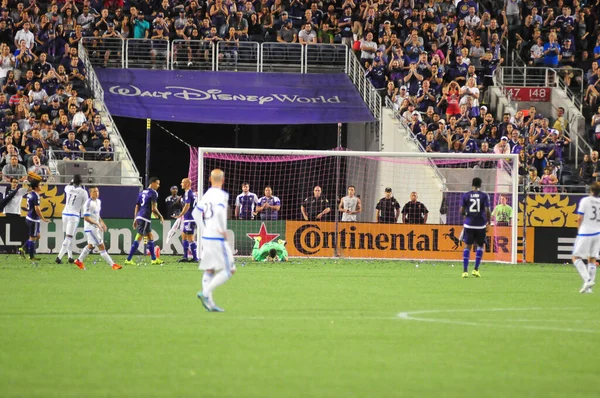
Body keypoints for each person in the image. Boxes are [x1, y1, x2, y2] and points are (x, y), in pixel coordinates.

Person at [195, 169, 236, 313]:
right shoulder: (222, 195)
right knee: (230, 269)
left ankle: (210, 304)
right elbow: (219, 212)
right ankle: (205, 293)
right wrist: (222, 230)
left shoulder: (207, 194)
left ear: (210, 180)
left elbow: (195, 212)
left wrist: (204, 228)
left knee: (210, 269)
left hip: (206, 236)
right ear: (223, 180)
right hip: (216, 237)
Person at [73, 186, 122, 270]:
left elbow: (97, 215)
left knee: (90, 246)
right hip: (90, 228)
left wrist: (102, 223)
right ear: (90, 193)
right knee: (101, 247)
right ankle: (113, 265)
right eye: (94, 191)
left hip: (95, 227)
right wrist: (97, 224)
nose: (97, 193)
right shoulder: (88, 203)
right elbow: (86, 218)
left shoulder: (98, 202)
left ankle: (79, 260)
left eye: (97, 191)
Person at [124, 177, 165, 266]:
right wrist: (161, 216)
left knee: (150, 236)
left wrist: (135, 218)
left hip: (140, 216)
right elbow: (154, 208)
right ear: (152, 183)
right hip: (145, 217)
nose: (158, 186)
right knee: (139, 237)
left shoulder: (142, 192)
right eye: (157, 183)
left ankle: (154, 259)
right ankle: (128, 259)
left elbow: (137, 206)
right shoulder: (153, 193)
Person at [571, 181, 600, 294]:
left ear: (591, 191)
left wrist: (579, 230)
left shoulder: (585, 200)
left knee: (576, 257)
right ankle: (589, 288)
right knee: (592, 258)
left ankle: (587, 280)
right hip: (598, 232)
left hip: (586, 232)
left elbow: (579, 218)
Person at [459, 177, 491, 278]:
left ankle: (465, 271)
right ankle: (476, 270)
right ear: (480, 185)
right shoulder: (484, 195)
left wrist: (466, 214)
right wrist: (488, 222)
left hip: (469, 224)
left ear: (472, 185)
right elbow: (487, 210)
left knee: (467, 246)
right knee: (480, 246)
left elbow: (461, 211)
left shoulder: (466, 195)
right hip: (480, 225)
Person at [56, 174, 88, 264]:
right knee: (69, 237)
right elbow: (85, 205)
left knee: (68, 236)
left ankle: (70, 256)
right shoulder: (83, 192)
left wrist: (72, 181)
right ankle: (59, 257)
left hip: (65, 213)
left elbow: (69, 184)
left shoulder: (68, 188)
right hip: (74, 215)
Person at [19, 180, 49, 261]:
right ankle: (31, 256)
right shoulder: (36, 195)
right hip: (33, 219)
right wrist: (43, 218)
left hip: (29, 217)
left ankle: (23, 248)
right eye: (40, 185)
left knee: (37, 236)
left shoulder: (30, 194)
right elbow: (37, 208)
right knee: (33, 237)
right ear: (36, 187)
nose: (41, 186)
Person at [176, 178, 198, 263]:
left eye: (182, 182)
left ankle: (195, 258)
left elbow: (187, 206)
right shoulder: (192, 193)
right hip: (188, 218)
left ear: (188, 184)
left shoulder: (188, 192)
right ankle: (185, 256)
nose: (181, 184)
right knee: (184, 236)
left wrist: (180, 215)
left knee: (190, 238)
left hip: (189, 218)